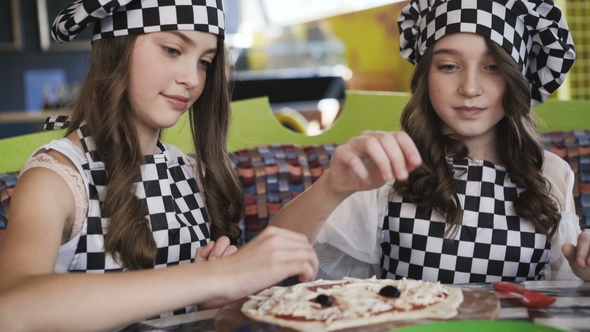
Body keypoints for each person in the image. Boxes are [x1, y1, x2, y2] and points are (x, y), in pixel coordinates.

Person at [0, 1, 318, 331]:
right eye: (171, 49)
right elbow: (12, 307)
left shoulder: (191, 173)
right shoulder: (57, 178)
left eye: (205, 63)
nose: (192, 79)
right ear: (116, 49)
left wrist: (210, 303)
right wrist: (213, 277)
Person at [271, 0, 590, 284]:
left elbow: (565, 287)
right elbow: (272, 262)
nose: (470, 87)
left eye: (493, 67)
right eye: (448, 66)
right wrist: (331, 188)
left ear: (517, 80)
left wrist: (585, 270)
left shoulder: (551, 173)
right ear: (426, 76)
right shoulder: (389, 165)